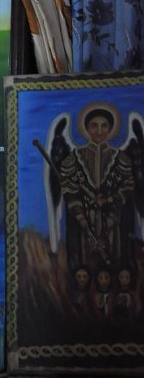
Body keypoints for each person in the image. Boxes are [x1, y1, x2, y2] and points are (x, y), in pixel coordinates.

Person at [60, 105, 135, 275]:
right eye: (94, 125)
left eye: (104, 126)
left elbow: (128, 187)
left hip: (112, 220)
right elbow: (69, 188)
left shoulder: (121, 159)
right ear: (86, 129)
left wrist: (109, 200)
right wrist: (80, 215)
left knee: (113, 258)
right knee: (86, 260)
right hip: (84, 220)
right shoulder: (74, 158)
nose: (99, 131)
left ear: (111, 129)